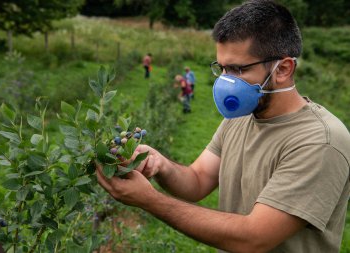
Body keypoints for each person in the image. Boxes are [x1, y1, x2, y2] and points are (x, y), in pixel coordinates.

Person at [96, 1, 350, 252]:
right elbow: (197, 180)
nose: (227, 81)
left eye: (238, 69)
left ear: (283, 69)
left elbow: (254, 238)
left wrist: (150, 201)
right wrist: (159, 164)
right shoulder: (240, 117)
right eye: (223, 68)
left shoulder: (320, 141)